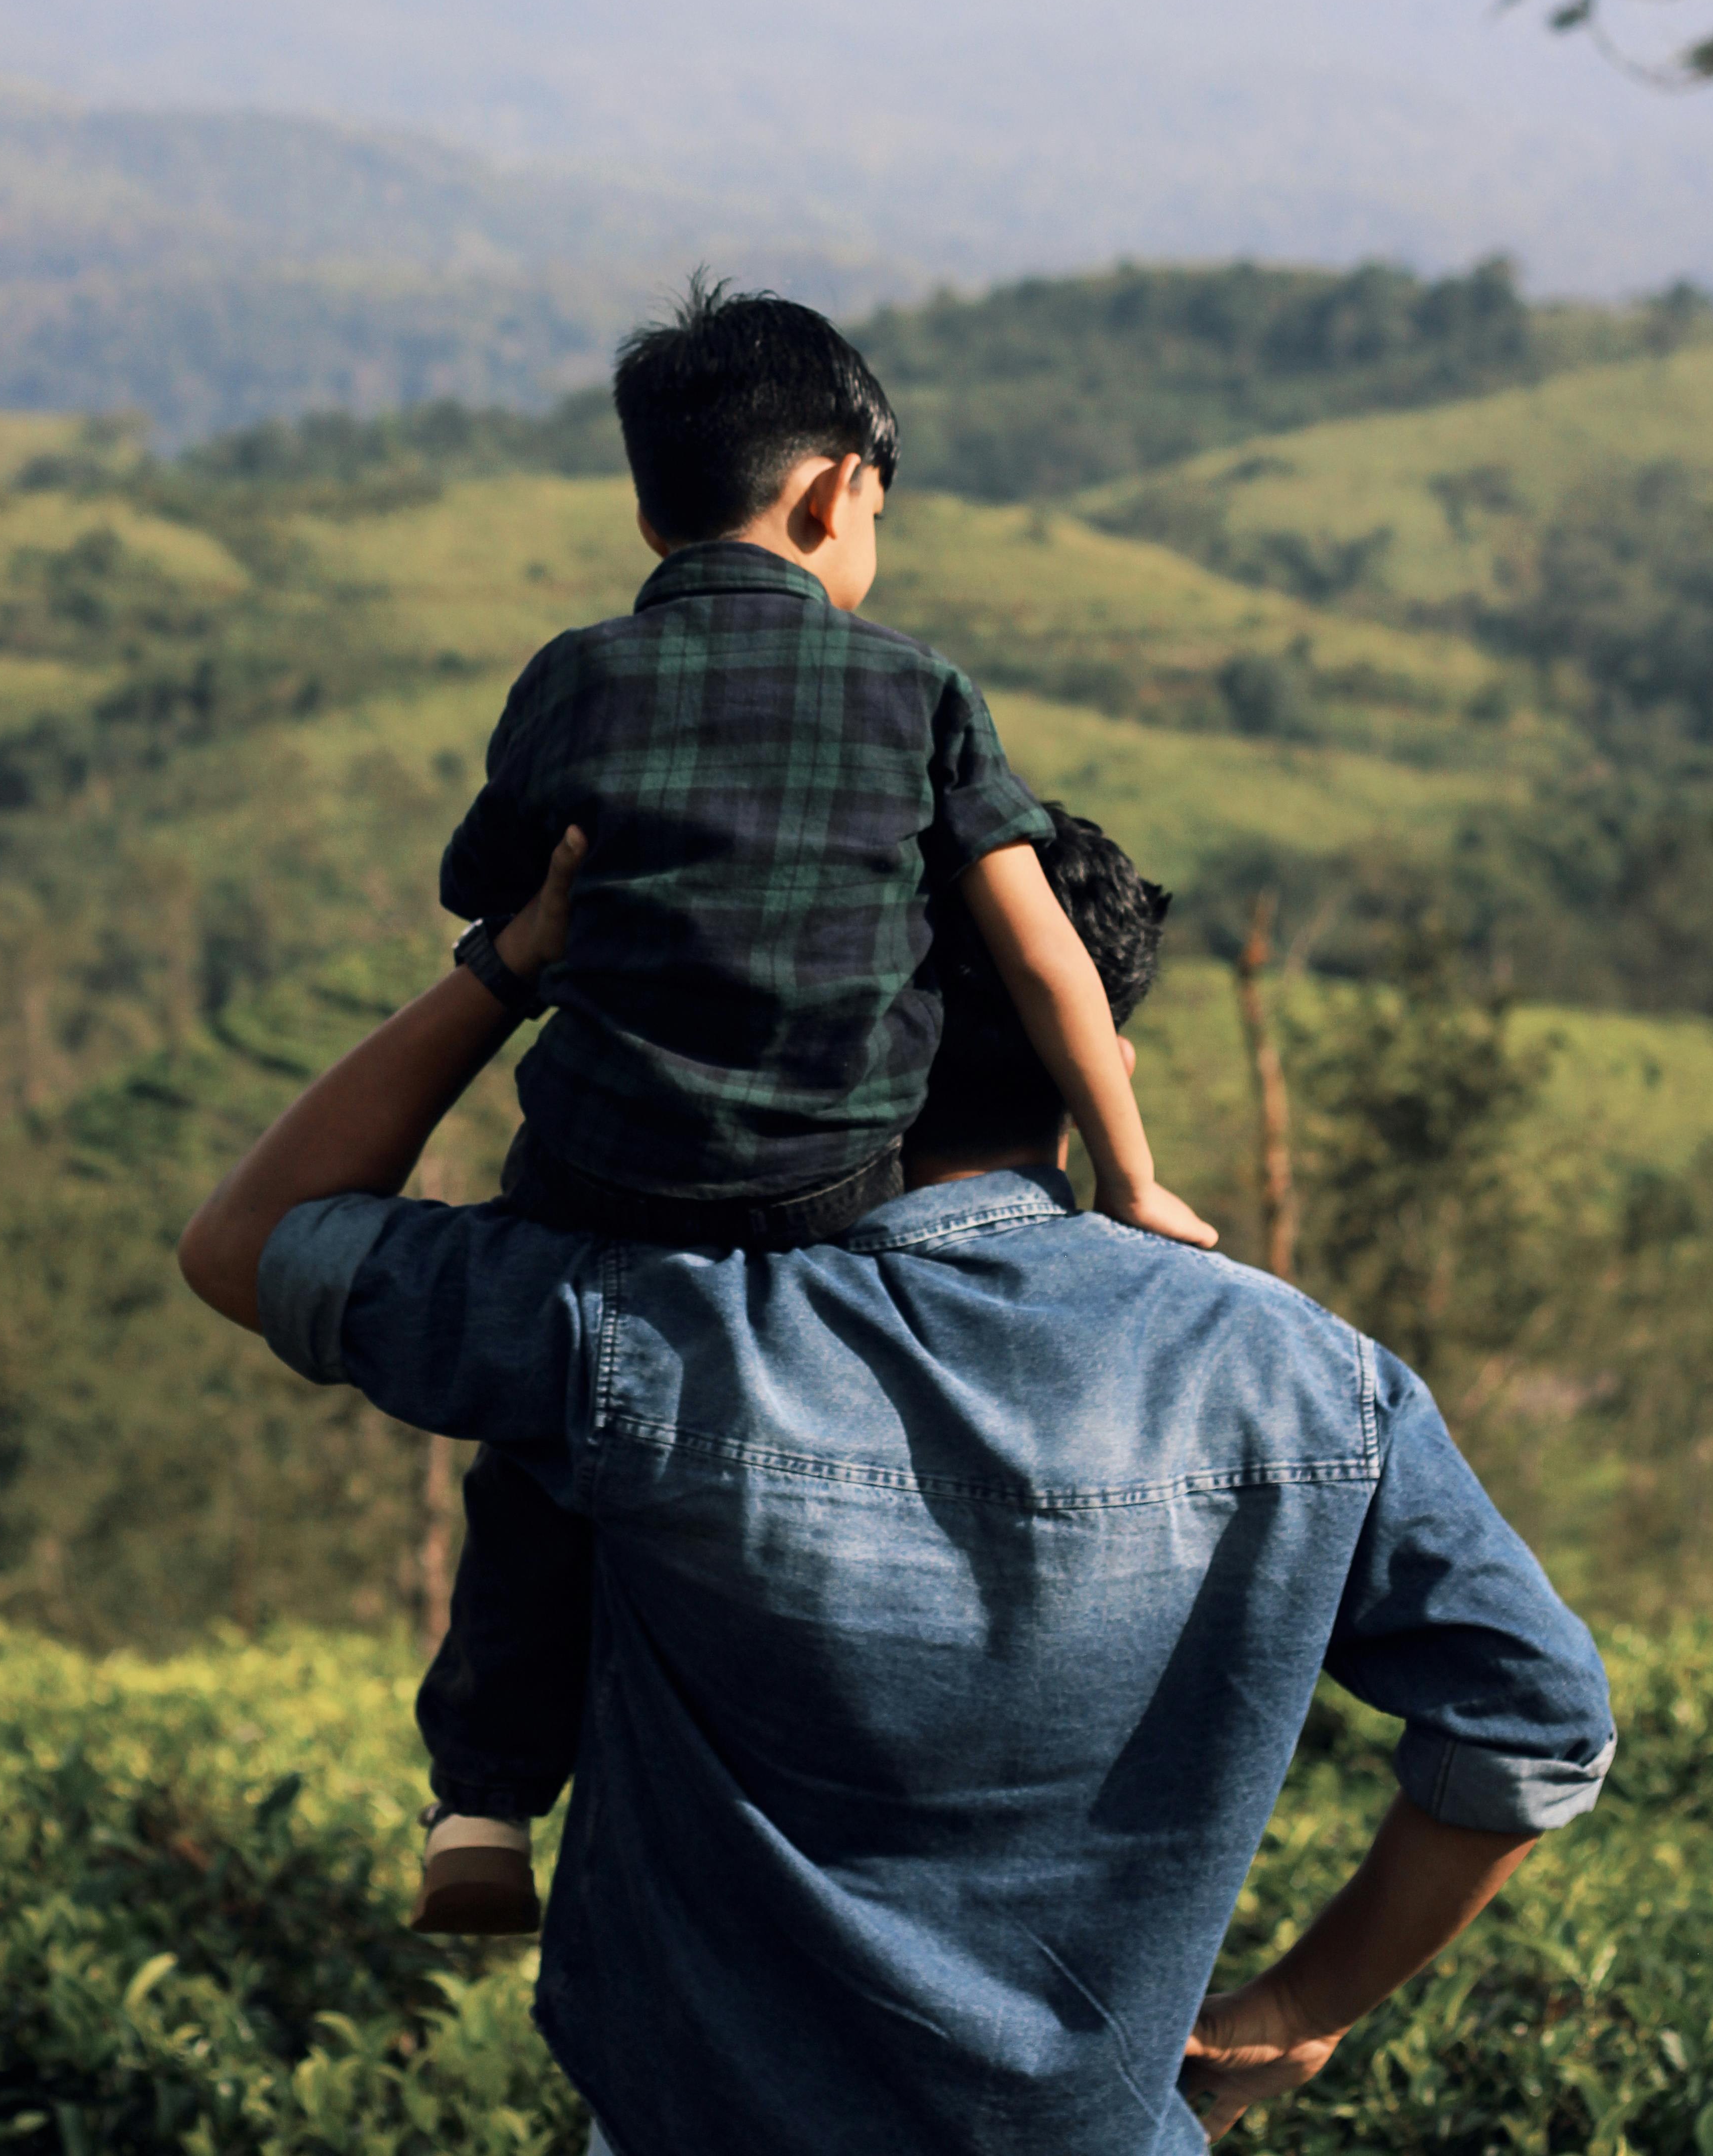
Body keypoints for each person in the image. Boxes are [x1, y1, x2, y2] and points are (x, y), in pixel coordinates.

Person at [178, 819, 1614, 2156]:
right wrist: (1294, 2010)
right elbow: (1534, 1722)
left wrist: (511, 961)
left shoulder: (661, 1330)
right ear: (1096, 1051)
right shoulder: (1304, 1379)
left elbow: (253, 1242)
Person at [417, 278, 1214, 1920]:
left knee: (531, 1465)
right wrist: (1132, 1176)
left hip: (599, 1179)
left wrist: (542, 919)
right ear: (839, 488)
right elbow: (1048, 959)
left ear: (653, 499)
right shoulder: (918, 692)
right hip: (828, 1188)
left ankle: (482, 1813)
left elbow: (480, 886)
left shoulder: (576, 677)